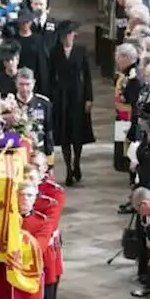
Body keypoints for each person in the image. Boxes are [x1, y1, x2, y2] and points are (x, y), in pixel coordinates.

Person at [48, 20, 94, 185]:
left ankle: (77, 162)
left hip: (78, 94)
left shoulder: (81, 51)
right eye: (65, 35)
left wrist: (89, 98)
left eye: (70, 34)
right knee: (65, 133)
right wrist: (51, 96)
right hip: (61, 95)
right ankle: (68, 168)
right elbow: (51, 76)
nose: (68, 38)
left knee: (77, 132)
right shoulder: (55, 52)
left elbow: (87, 76)